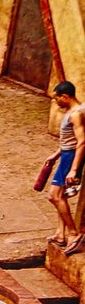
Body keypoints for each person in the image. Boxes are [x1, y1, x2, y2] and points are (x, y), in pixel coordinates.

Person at [48, 80, 85, 255]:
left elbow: (82, 142)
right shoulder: (73, 111)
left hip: (70, 158)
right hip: (65, 155)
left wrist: (73, 169)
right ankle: (60, 234)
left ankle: (73, 233)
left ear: (65, 96)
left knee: (54, 196)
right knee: (60, 196)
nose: (56, 102)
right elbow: (68, 140)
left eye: (57, 99)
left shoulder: (76, 114)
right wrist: (55, 155)